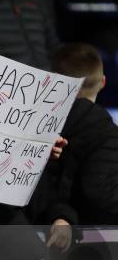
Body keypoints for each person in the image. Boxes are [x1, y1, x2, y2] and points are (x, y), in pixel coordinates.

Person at [47, 43, 118, 225]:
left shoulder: (36, 122)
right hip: (84, 234)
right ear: (103, 82)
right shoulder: (105, 130)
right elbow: (101, 190)